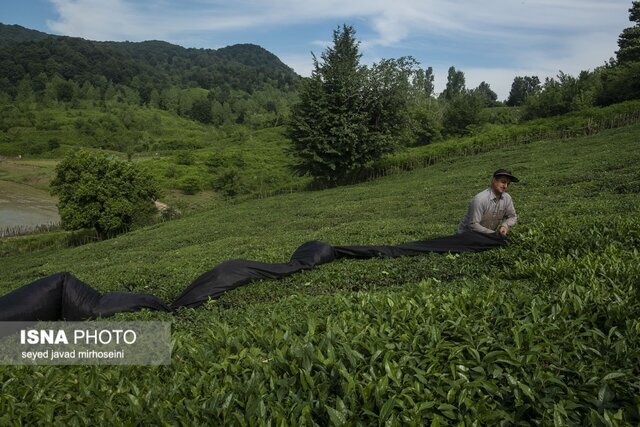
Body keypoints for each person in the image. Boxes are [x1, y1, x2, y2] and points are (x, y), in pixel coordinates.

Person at [456, 168, 518, 237]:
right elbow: (473, 225)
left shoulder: (507, 198)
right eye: (503, 182)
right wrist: (494, 234)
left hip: (487, 236)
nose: (505, 186)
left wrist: (505, 226)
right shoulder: (480, 199)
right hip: (467, 236)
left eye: (508, 184)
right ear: (494, 180)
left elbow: (512, 216)